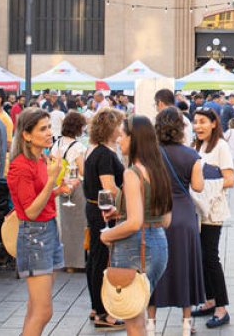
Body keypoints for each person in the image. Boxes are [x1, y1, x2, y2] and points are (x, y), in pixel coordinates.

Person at [102, 115, 173, 336]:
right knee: (138, 312)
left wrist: (108, 235)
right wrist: (122, 212)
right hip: (158, 244)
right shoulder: (159, 170)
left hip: (135, 248)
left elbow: (134, 223)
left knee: (133, 321)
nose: (118, 141)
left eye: (122, 136)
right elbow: (165, 220)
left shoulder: (132, 173)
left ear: (134, 139)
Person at [8, 109, 65, 336]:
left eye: (49, 126)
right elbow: (31, 211)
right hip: (35, 235)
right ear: (26, 135)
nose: (49, 132)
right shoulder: (21, 166)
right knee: (43, 311)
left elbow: (40, 198)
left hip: (47, 230)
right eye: (43, 128)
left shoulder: (41, 159)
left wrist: (59, 188)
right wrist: (52, 179)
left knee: (35, 309)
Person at [151, 107, 205, 336]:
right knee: (186, 267)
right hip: (184, 215)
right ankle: (186, 322)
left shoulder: (151, 155)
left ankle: (150, 322)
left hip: (158, 213)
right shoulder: (191, 155)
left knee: (154, 269)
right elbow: (198, 186)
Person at [191, 107, 234, 329]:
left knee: (210, 257)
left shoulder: (221, 146)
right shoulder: (197, 145)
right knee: (202, 257)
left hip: (213, 209)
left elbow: (230, 179)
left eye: (202, 122)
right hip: (198, 209)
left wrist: (203, 185)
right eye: (195, 121)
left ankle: (222, 308)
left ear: (214, 123)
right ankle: (210, 300)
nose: (197, 126)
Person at [83, 109, 126, 329]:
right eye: (119, 124)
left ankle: (95, 307)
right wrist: (129, 202)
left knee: (94, 260)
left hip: (93, 209)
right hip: (103, 211)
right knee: (100, 261)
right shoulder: (105, 155)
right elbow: (108, 187)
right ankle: (102, 312)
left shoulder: (95, 152)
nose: (121, 129)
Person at [54, 111, 88, 270]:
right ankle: (77, 262)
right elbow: (82, 171)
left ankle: (66, 263)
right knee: (78, 226)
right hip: (75, 187)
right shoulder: (78, 146)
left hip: (61, 186)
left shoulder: (57, 143)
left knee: (66, 226)